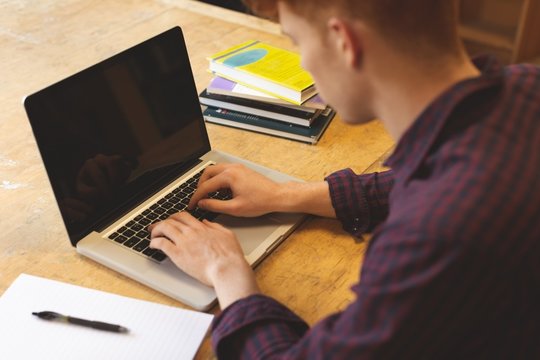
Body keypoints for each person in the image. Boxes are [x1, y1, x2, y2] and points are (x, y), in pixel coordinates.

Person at [149, 0, 540, 358]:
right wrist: (287, 195)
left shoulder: (435, 236)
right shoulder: (526, 86)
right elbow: (430, 179)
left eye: (298, 41)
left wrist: (227, 274)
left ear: (344, 42)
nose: (304, 62)